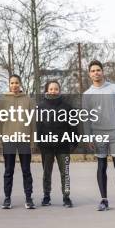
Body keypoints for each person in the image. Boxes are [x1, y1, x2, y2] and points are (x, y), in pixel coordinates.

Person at [82, 60, 115, 213]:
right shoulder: (87, 94)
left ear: (102, 71)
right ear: (89, 74)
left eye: (98, 70)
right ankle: (104, 200)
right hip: (98, 134)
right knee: (101, 166)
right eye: (93, 71)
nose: (96, 73)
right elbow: (86, 117)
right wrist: (88, 136)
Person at [36, 80, 77, 208]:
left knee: (65, 172)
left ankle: (66, 197)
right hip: (46, 146)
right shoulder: (40, 107)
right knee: (46, 172)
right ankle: (46, 196)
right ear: (47, 90)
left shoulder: (67, 107)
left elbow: (73, 126)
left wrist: (73, 143)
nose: (53, 91)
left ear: (59, 90)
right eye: (51, 89)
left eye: (56, 89)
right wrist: (39, 142)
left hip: (63, 146)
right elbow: (38, 126)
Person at [0, 74, 35, 209]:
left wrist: (32, 141)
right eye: (12, 83)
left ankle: (29, 199)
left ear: (20, 84)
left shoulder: (29, 100)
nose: (14, 85)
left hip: (24, 140)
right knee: (8, 170)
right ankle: (7, 199)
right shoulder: (3, 101)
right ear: (9, 84)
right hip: (8, 140)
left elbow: (33, 123)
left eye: (16, 83)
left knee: (26, 170)